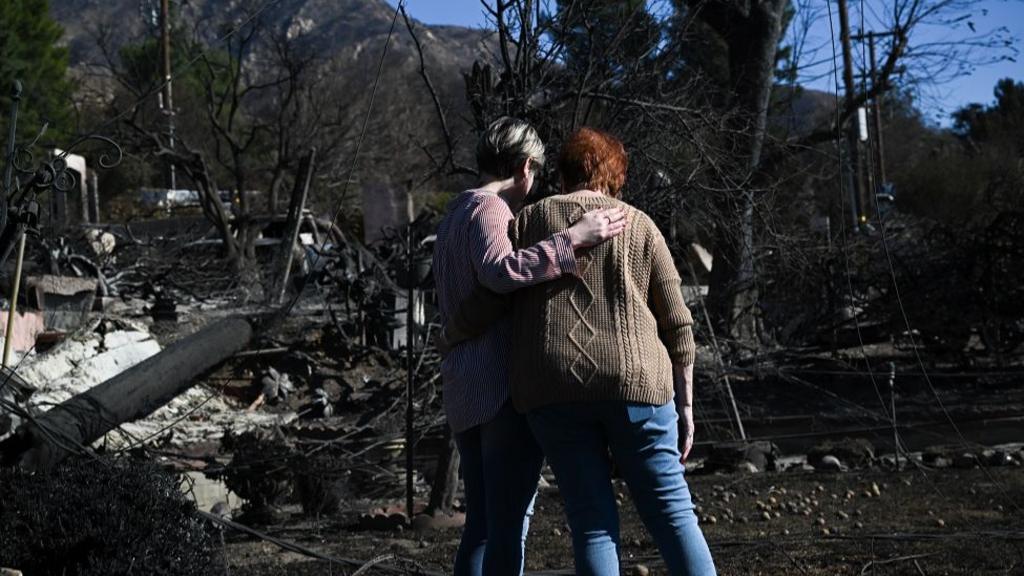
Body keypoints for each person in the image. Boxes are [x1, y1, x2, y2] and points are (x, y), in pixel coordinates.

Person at [445, 127, 717, 575]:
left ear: (564, 173)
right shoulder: (640, 224)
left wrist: (453, 330)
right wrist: (685, 402)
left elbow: (495, 292)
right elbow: (678, 324)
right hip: (638, 386)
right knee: (672, 513)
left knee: (591, 523)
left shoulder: (530, 221)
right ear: (615, 177)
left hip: (553, 391)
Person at [432, 117, 626, 576]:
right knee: (506, 526)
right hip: (498, 388)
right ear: (524, 167)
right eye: (535, 174)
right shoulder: (490, 210)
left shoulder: (452, 216)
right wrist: (573, 239)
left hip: (462, 388)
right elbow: (501, 273)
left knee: (481, 524)